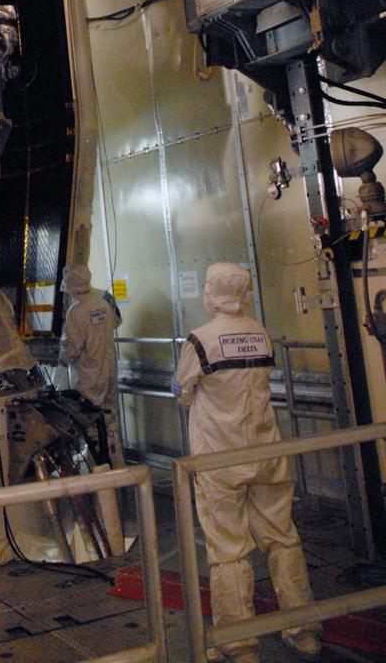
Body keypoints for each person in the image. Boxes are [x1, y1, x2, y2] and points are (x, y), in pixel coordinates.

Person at [173, 262, 321, 662]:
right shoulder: (260, 333)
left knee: (228, 549)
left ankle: (238, 643)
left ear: (211, 292)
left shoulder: (200, 340)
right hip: (267, 453)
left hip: (220, 459)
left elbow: (183, 390)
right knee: (283, 538)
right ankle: (304, 630)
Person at [58, 264, 123, 467]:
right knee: (110, 422)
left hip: (88, 377)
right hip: (108, 370)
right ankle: (118, 465)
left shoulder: (76, 312)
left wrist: (61, 358)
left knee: (91, 424)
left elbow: (72, 348)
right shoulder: (103, 301)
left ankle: (99, 470)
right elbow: (116, 322)